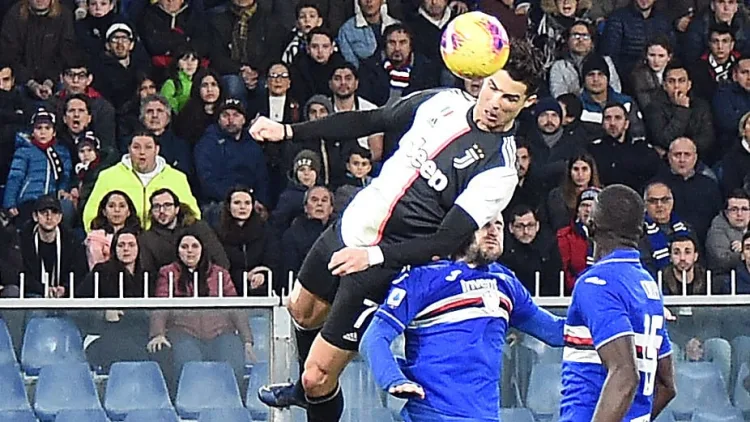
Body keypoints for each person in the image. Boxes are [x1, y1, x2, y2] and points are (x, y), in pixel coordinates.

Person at [250, 38, 543, 422]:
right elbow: (372, 120)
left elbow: (444, 242)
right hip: (351, 227)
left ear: (527, 104)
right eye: (493, 89)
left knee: (318, 377)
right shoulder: (444, 101)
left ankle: (313, 391)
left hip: (383, 263)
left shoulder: (499, 170)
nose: (495, 104)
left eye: (510, 99)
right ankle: (308, 393)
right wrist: (287, 131)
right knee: (300, 311)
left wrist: (371, 256)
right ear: (482, 80)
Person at [360, 213, 565, 422]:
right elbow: (373, 338)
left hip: (485, 416)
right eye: (486, 225)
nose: (494, 231)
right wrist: (393, 379)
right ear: (463, 227)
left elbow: (556, 332)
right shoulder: (423, 277)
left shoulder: (506, 282)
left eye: (499, 225)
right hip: (429, 414)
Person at [559, 184, 676, 422]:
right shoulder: (648, 286)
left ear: (591, 226)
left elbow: (625, 374)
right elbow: (666, 385)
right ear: (642, 231)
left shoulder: (595, 283)